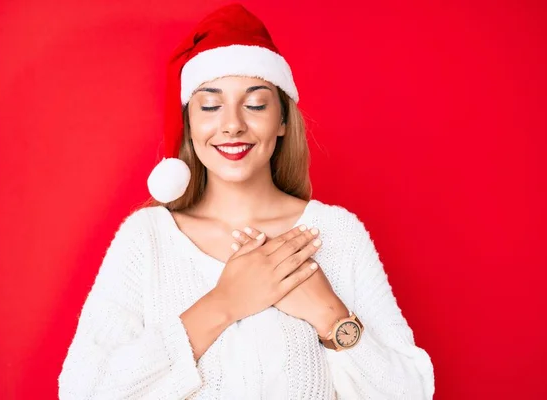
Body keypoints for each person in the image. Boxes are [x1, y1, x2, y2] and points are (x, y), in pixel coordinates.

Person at [58, 3, 435, 399]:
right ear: (190, 124)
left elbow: (410, 392)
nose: (233, 123)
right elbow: (82, 391)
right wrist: (223, 304)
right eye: (210, 105)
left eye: (255, 104)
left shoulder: (338, 234)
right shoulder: (146, 239)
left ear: (283, 120)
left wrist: (330, 315)